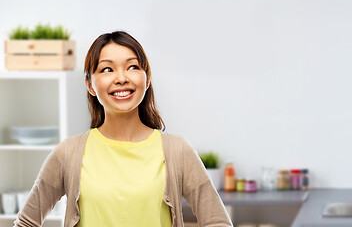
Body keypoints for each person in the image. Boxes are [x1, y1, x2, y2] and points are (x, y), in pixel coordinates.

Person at [14, 31, 232, 227]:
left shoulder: (178, 151)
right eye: (107, 69)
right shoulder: (68, 153)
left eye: (133, 67)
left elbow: (218, 222)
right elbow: (26, 223)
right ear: (90, 85)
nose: (121, 78)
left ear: (146, 79)